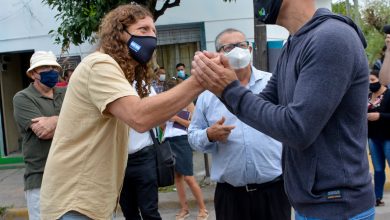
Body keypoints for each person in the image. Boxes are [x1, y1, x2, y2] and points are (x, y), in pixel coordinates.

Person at [191, 0, 375, 219]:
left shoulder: (331, 37)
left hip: (338, 205)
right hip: (310, 203)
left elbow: (297, 130)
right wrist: (221, 80)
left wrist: (229, 89)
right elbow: (265, 103)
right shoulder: (295, 43)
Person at [39, 4, 203, 220]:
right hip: (76, 201)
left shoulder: (117, 74)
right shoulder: (100, 64)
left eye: (154, 31)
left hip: (92, 201)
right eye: (143, 30)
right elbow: (140, 117)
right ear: (120, 34)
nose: (152, 37)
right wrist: (200, 80)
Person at [188, 28, 291, 220]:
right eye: (228, 47)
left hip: (274, 191)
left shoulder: (273, 83)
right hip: (230, 196)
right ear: (218, 54)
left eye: (241, 45)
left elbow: (290, 124)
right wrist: (209, 134)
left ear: (250, 50)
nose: (237, 50)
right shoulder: (208, 95)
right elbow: (192, 136)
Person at [13, 51, 65, 220]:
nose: (51, 70)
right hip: (40, 179)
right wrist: (69, 122)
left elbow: (84, 123)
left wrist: (55, 120)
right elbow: (43, 132)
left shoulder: (66, 94)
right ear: (33, 73)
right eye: (44, 67)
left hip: (69, 176)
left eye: (53, 67)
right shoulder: (22, 98)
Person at [162, 77, 209, 220]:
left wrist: (176, 118)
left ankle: (203, 208)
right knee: (177, 177)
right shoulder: (165, 104)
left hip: (183, 140)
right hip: (169, 140)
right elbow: (162, 125)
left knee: (188, 176)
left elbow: (193, 125)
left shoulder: (187, 103)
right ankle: (184, 208)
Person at [119, 83, 161, 220]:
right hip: (118, 161)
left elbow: (156, 112)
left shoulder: (142, 85)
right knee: (129, 211)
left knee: (149, 211)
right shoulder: (108, 84)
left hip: (143, 157)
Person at [367, 69, 390, 207]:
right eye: (368, 81)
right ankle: (377, 197)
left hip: (388, 137)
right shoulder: (368, 97)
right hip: (373, 138)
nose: (371, 83)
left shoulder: (388, 95)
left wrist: (380, 116)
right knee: (378, 169)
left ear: (380, 79)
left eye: (373, 80)